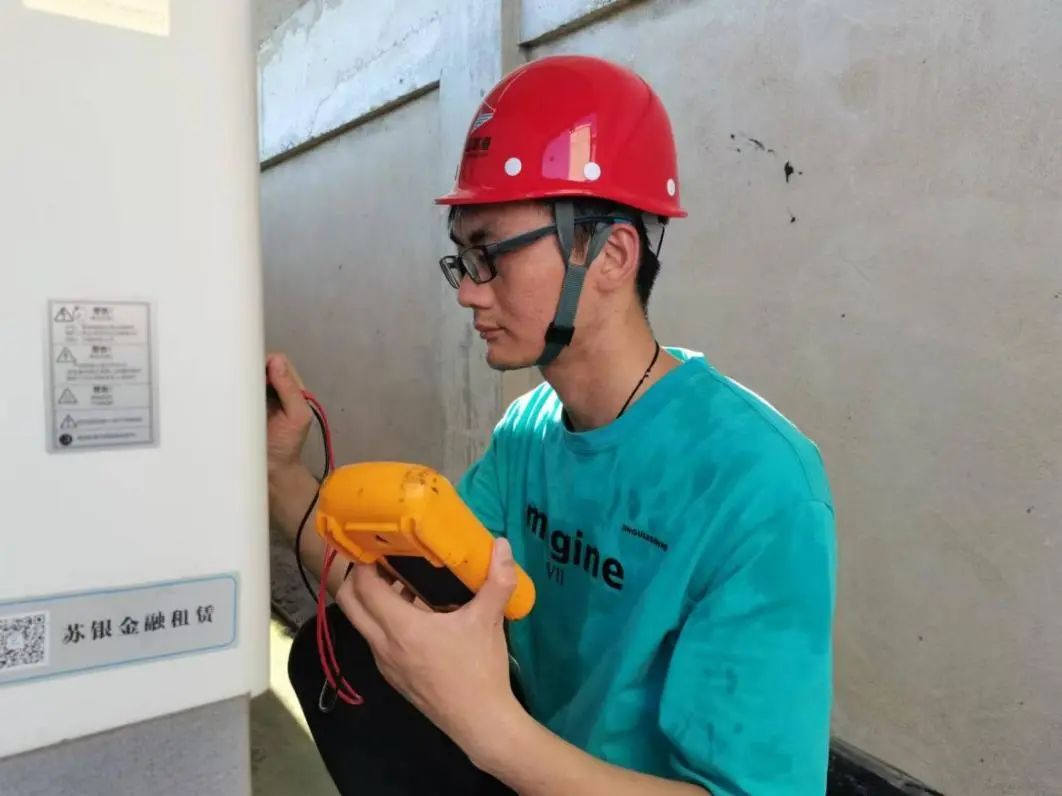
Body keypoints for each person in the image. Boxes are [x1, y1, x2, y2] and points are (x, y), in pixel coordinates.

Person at [267, 54, 836, 796]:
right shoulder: (529, 433)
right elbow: (398, 582)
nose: (469, 292)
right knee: (336, 652)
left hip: (548, 767)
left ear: (611, 255)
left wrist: (488, 729)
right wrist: (279, 471)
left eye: (490, 255)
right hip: (535, 767)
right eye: (462, 258)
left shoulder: (758, 484)